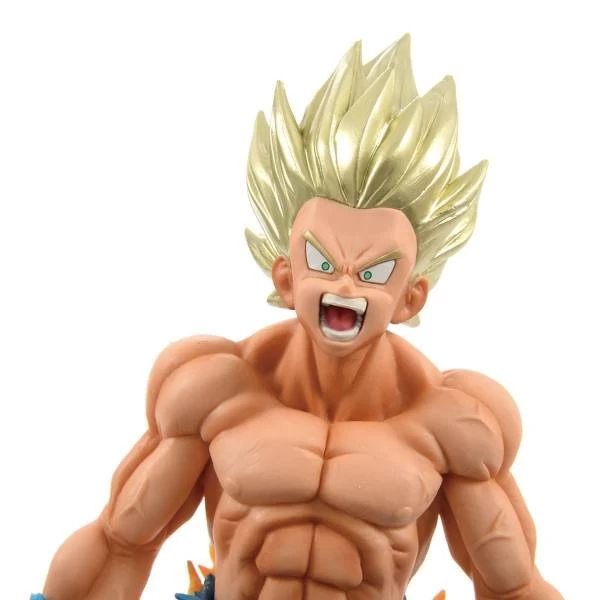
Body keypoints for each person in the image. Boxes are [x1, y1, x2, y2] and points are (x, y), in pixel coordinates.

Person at [32, 36, 563, 600]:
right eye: (322, 262)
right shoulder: (212, 388)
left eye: (374, 272)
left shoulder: (456, 422)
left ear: (410, 299)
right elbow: (121, 542)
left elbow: (513, 586)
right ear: (285, 278)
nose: (344, 286)